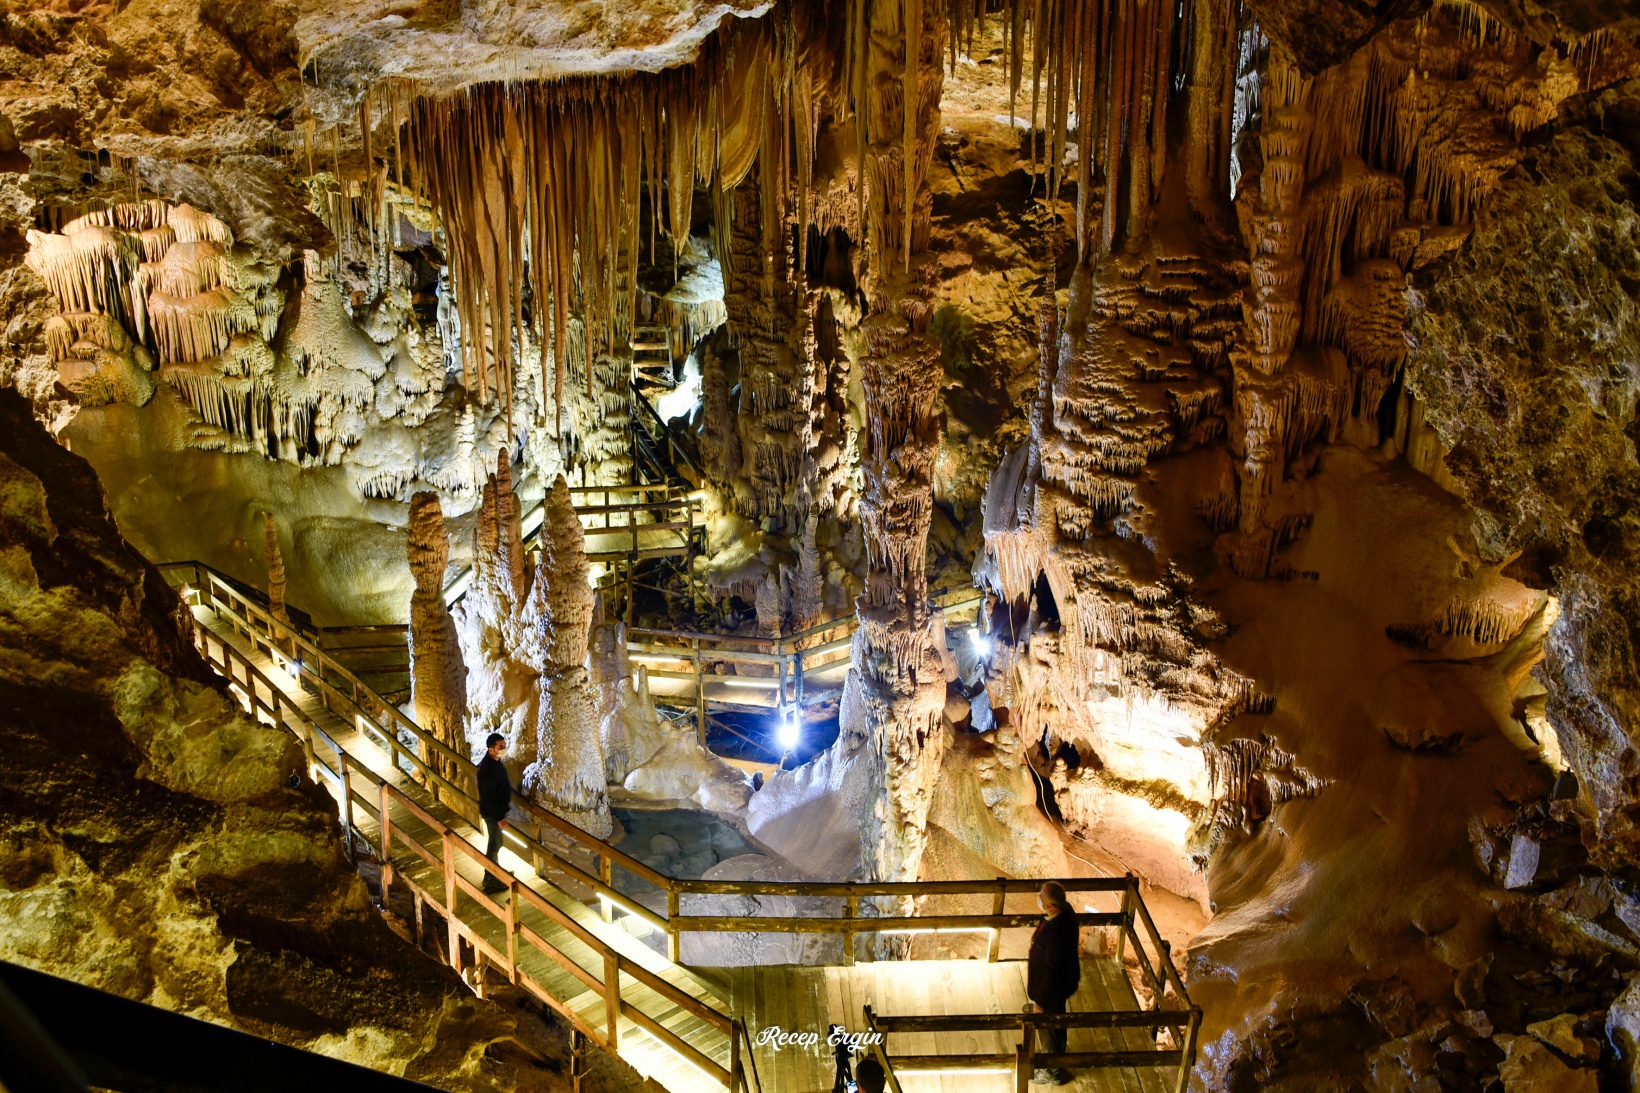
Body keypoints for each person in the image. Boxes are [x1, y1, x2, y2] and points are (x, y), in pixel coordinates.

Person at [1027, 881, 1079, 1086]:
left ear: (1052, 906)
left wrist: (1040, 1001)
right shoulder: (1064, 914)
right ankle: (1058, 1059)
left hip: (1051, 991)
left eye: (1042, 897)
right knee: (1058, 1023)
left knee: (1048, 1028)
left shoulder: (1058, 935)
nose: (1039, 898)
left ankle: (1053, 1071)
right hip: (1061, 985)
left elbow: (1052, 970)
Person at [476, 733, 511, 895]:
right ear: (491, 749)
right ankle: (489, 878)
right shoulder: (487, 770)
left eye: (504, 745)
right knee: (495, 844)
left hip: (495, 811)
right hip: (492, 814)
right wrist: (499, 818)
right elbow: (490, 797)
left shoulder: (495, 762)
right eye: (500, 746)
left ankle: (495, 872)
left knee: (496, 842)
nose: (504, 748)